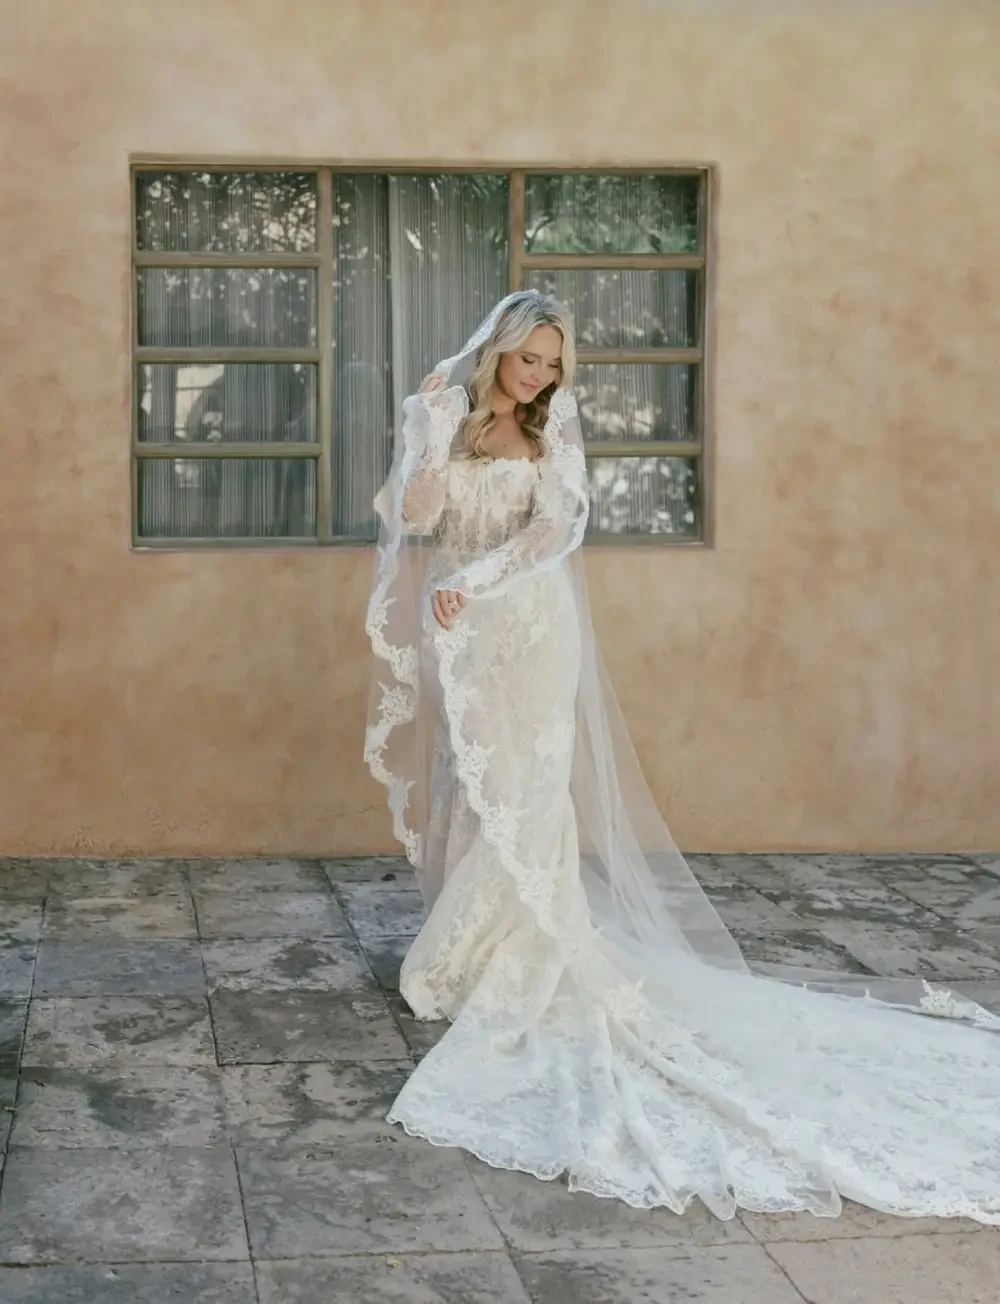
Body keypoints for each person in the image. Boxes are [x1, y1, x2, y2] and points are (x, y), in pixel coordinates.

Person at [365, 290, 1000, 1221]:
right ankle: (467, 950)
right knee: (477, 787)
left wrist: (476, 578)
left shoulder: (554, 434)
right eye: (528, 358)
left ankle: (521, 953)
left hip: (526, 630)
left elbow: (556, 531)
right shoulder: (453, 419)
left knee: (529, 796)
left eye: (552, 363)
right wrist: (425, 427)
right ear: (498, 350)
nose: (539, 375)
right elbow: (415, 517)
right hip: (465, 641)